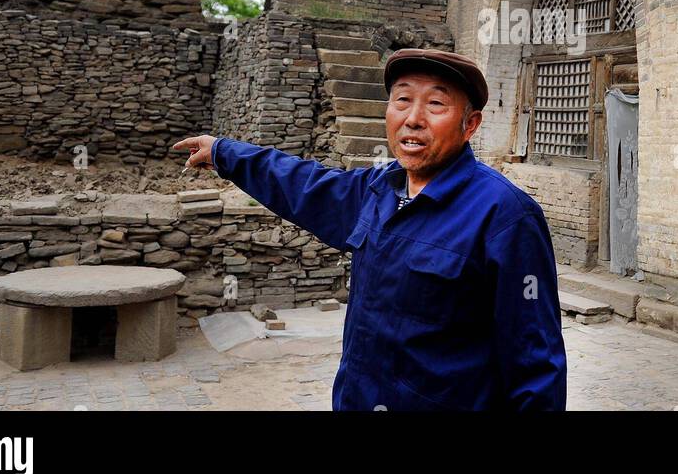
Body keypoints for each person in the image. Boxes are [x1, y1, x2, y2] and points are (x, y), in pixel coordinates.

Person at [173, 48, 567, 411]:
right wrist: (227, 153)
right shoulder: (378, 190)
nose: (414, 117)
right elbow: (304, 185)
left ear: (470, 125)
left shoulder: (505, 216)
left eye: (436, 103)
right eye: (402, 100)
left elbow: (535, 362)